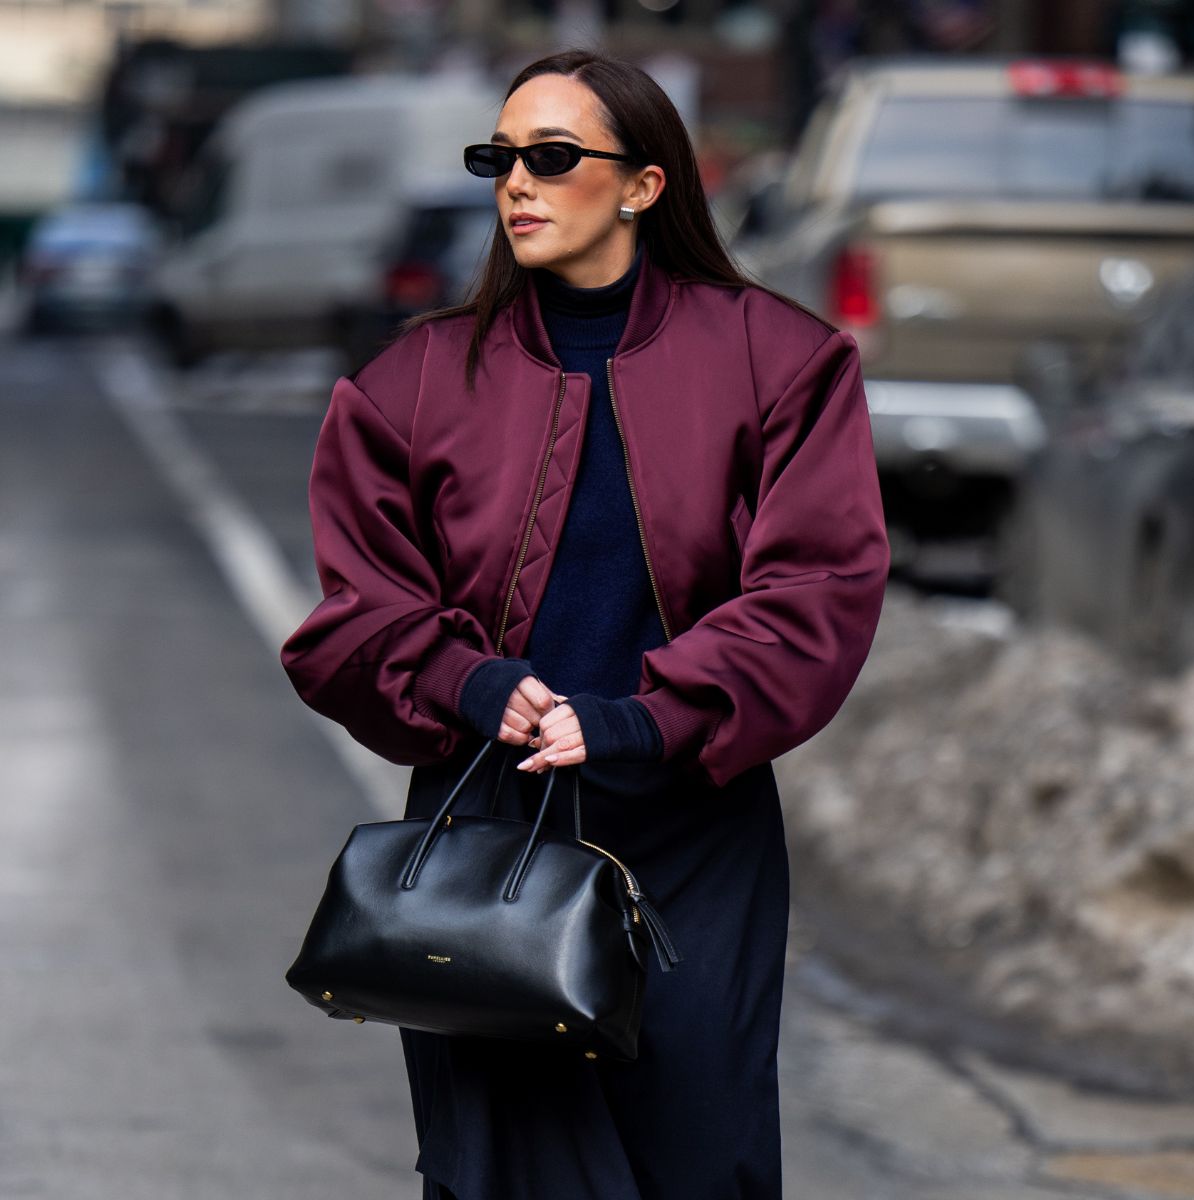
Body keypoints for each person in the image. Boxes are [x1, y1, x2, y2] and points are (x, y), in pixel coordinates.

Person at [280, 47, 890, 1200]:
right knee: (511, 1171)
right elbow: (354, 615)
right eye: (498, 157)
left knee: (699, 1163)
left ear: (645, 183)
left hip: (693, 828)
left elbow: (819, 589)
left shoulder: (782, 362)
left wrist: (643, 716)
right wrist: (465, 680)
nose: (516, 182)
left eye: (551, 158)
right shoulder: (410, 383)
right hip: (491, 829)